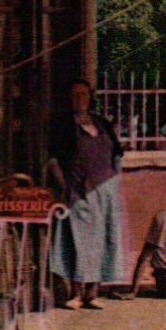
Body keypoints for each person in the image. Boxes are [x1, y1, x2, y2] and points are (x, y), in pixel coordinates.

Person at [45, 80, 128, 309]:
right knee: (80, 240)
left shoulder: (101, 123)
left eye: (82, 94)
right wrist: (66, 187)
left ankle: (93, 292)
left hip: (107, 191)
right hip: (80, 191)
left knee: (103, 239)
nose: (78, 99)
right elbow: (53, 161)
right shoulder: (63, 126)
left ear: (91, 97)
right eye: (74, 95)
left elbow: (117, 155)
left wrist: (115, 182)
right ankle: (76, 293)